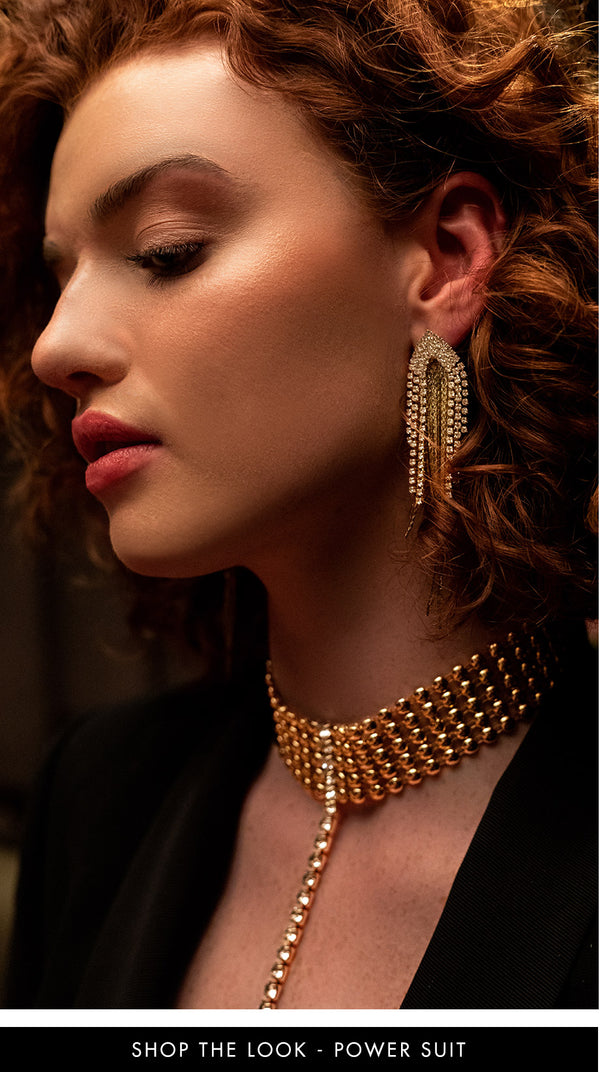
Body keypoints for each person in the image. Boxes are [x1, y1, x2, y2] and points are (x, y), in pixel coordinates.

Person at [0, 0, 596, 1010]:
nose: (57, 347)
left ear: (448, 259)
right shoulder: (95, 803)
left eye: (166, 249)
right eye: (60, 280)